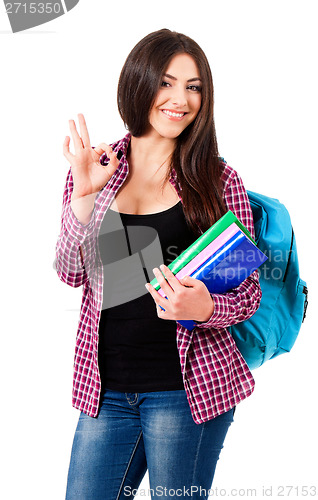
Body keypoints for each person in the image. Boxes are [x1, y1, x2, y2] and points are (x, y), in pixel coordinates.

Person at [55, 28, 262, 500]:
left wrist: (204, 306)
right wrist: (84, 199)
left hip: (188, 392)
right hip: (105, 392)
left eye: (193, 87)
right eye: (166, 83)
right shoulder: (97, 166)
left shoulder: (216, 178)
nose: (180, 99)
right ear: (139, 84)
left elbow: (248, 292)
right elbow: (70, 272)